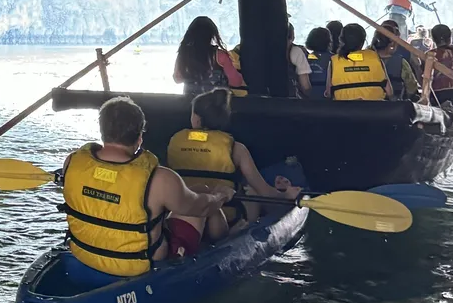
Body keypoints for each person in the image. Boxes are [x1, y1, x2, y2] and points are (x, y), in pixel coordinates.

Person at [59, 96, 233, 278]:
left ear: (103, 131)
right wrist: (220, 196)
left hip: (85, 255)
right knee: (204, 197)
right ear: (140, 137)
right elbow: (202, 207)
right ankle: (224, 244)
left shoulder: (71, 162)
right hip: (143, 266)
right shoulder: (161, 178)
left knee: (196, 192)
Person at [166, 88, 301, 252]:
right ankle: (238, 231)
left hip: (186, 218)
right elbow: (264, 190)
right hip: (221, 223)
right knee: (252, 194)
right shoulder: (236, 149)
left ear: (196, 119)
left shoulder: (175, 143)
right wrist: (286, 196)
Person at [172, 16, 245, 97]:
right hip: (216, 105)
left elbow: (177, 79)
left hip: (191, 105)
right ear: (212, 35)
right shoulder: (220, 56)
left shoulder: (184, 54)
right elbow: (236, 82)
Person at [326, 23, 391, 100]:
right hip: (375, 109)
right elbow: (390, 92)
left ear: (341, 40)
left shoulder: (334, 61)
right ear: (363, 41)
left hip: (344, 109)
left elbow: (329, 93)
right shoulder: (375, 57)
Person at [372, 20, 420, 100]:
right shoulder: (401, 62)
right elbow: (411, 88)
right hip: (395, 105)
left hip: (370, 102)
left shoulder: (366, 58)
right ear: (392, 42)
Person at [305, 27, 332, 96]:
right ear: (328, 41)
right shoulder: (334, 59)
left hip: (309, 96)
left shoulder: (305, 58)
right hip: (329, 96)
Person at [287, 23, 311, 97]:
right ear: (292, 36)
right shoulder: (296, 51)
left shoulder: (263, 50)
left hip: (265, 100)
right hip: (290, 99)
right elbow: (305, 85)